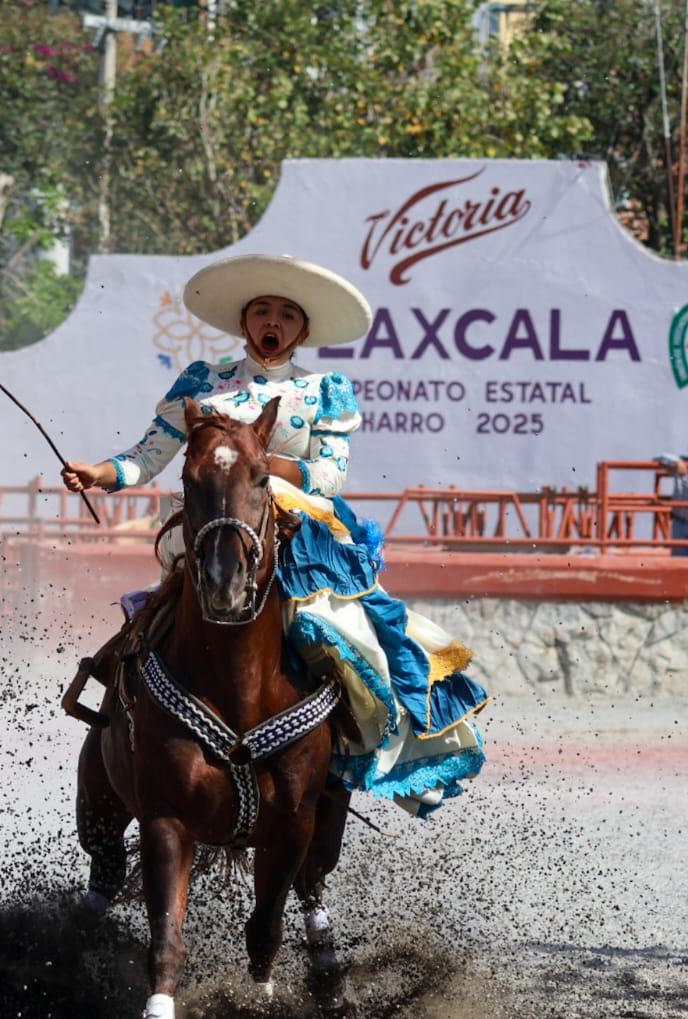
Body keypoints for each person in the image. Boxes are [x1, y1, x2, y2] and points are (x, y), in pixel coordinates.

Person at [61, 253, 487, 817]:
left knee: (347, 637)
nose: (273, 321)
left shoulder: (325, 389)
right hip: (208, 524)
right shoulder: (202, 382)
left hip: (295, 532)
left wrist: (260, 465)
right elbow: (150, 454)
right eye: (262, 310)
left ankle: (371, 751)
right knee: (150, 625)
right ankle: (124, 711)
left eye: (287, 314)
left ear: (302, 331)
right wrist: (100, 473)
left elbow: (331, 475)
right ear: (244, 322)